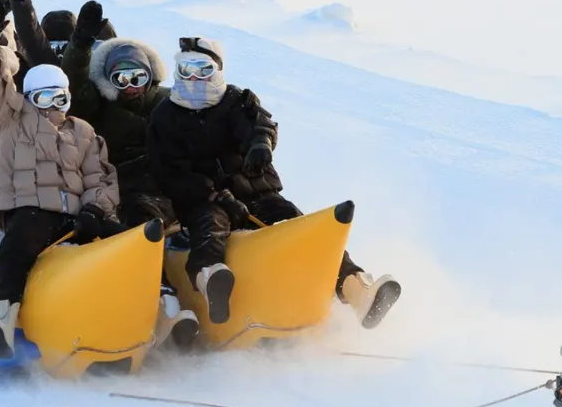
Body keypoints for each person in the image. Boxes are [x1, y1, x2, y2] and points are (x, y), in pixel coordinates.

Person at [6, 0, 197, 345]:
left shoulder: (149, 97)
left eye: (135, 76)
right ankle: (159, 298)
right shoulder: (56, 92)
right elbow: (42, 53)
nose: (129, 83)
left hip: (149, 184)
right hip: (102, 189)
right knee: (132, 219)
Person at [146, 36, 399, 328]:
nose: (194, 78)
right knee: (209, 227)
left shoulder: (236, 101)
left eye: (202, 69)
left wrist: (261, 144)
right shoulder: (165, 116)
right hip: (206, 200)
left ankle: (356, 289)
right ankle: (211, 279)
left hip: (256, 191)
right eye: (186, 69)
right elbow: (167, 171)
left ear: (216, 70)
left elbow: (260, 125)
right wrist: (213, 195)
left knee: (299, 226)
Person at [0, 0, 121, 357]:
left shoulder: (82, 132)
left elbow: (100, 178)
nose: (54, 107)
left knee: (116, 237)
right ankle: (1, 316)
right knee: (20, 242)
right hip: (29, 209)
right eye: (44, 99)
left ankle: (147, 309)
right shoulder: (9, 122)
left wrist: (96, 210)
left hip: (75, 214)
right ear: (29, 98)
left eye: (61, 98)